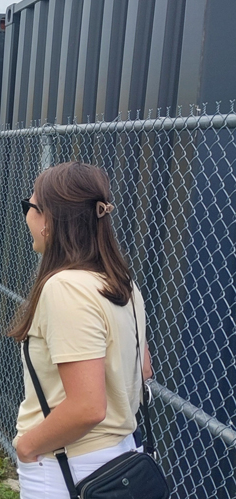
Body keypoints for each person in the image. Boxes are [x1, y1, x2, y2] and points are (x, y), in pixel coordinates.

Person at [12, 162, 154, 498]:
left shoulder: (65, 288)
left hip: (68, 464)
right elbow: (143, 368)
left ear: (48, 220)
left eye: (29, 207)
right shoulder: (121, 284)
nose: (27, 218)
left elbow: (88, 407)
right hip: (122, 454)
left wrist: (27, 445)